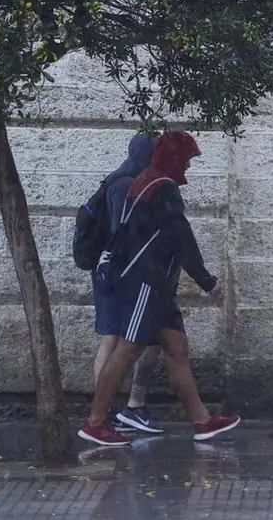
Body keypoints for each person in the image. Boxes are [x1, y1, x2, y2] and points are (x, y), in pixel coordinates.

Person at [78, 131, 241, 446]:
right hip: (146, 284)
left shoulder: (147, 183)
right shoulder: (161, 188)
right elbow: (181, 240)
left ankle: (203, 421)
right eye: (187, 161)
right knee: (127, 350)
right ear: (174, 159)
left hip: (155, 286)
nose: (189, 168)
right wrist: (208, 282)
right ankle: (95, 423)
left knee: (177, 350)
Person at [92, 133, 164, 435]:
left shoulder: (120, 179)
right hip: (119, 273)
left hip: (114, 270)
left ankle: (117, 411)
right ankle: (104, 415)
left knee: (133, 339)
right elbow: (125, 233)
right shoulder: (125, 184)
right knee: (114, 340)